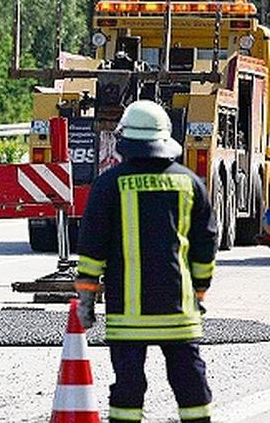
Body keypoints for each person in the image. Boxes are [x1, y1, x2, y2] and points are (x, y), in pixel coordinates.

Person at [74, 100, 217, 422]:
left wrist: (86, 299)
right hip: (178, 313)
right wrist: (201, 291)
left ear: (126, 140)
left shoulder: (109, 185)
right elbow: (205, 243)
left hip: (127, 315)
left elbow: (92, 246)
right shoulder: (190, 183)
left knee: (128, 389)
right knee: (190, 385)